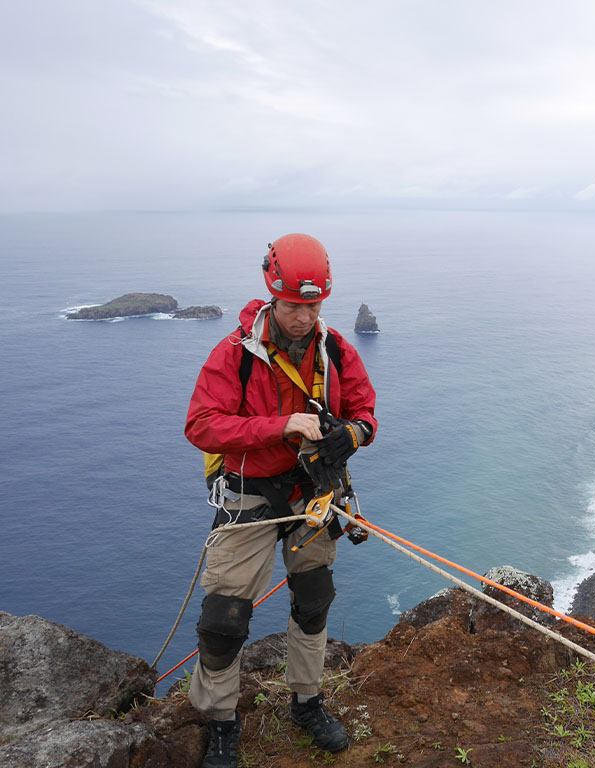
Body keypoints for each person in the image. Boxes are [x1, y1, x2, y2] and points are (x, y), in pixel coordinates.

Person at [184, 233, 377, 767]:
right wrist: (280, 426)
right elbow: (201, 425)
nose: (302, 316)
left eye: (312, 305)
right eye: (294, 304)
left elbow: (365, 408)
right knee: (224, 618)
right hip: (248, 494)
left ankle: (307, 700)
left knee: (313, 601)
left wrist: (353, 434)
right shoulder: (235, 354)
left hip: (311, 494)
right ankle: (221, 720)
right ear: (273, 294)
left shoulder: (334, 349)